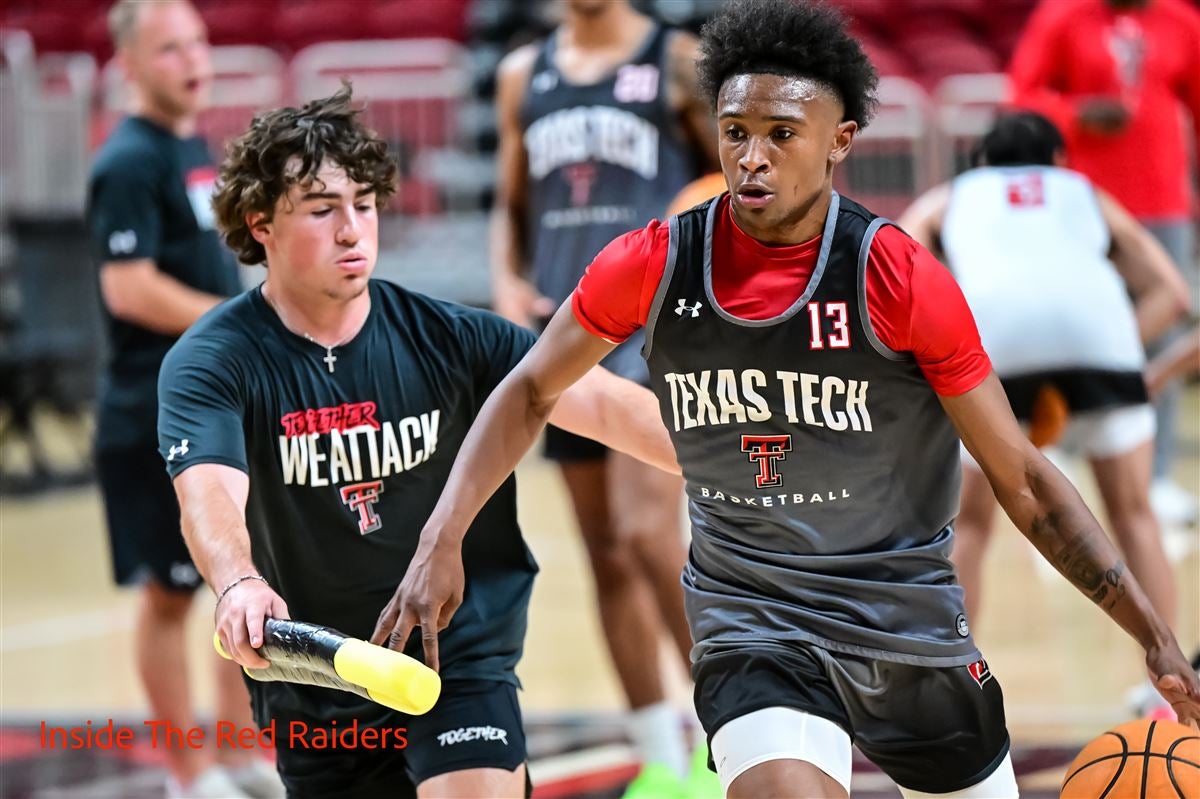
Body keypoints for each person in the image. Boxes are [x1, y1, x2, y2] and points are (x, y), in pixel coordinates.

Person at [373, 2, 1200, 798]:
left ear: (839, 141)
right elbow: (529, 390)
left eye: (781, 134)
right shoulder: (655, 261)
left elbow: (1022, 478)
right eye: (736, 133)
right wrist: (439, 539)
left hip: (904, 620)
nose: (753, 157)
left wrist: (1152, 630)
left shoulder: (897, 274)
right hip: (751, 626)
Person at [158, 85, 679, 799]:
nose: (352, 230)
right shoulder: (213, 359)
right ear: (261, 225)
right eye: (322, 210)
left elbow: (611, 407)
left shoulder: (450, 335)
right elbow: (209, 490)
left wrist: (748, 469)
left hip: (453, 653)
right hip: (318, 675)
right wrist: (238, 579)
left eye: (364, 205)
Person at [490, 0, 718, 792]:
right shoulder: (524, 74)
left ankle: (732, 728)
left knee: (648, 532)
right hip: (561, 325)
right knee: (604, 551)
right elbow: (509, 201)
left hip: (654, 324)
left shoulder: (678, 56)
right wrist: (505, 281)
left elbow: (728, 173)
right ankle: (660, 751)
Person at [898, 111, 1190, 716]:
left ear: (979, 163)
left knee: (970, 530)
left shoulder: (953, 195)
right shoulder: (1083, 191)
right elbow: (1174, 293)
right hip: (1101, 342)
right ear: (1059, 160)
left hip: (992, 348)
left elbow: (897, 262)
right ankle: (1166, 692)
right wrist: (1121, 366)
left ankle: (954, 686)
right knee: (1134, 516)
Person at [87, 2, 279, 796]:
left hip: (214, 405)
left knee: (230, 580)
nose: (193, 59)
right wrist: (236, 320)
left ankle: (236, 751)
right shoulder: (126, 161)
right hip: (149, 409)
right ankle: (186, 771)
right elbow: (127, 287)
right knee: (169, 595)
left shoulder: (191, 146)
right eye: (169, 49)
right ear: (129, 65)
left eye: (198, 42)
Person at [1009, 0, 1200, 525]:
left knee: (1160, 336)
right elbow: (1022, 94)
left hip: (1164, 202)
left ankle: (1155, 478)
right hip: (1083, 203)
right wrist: (1077, 114)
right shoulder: (1062, 16)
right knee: (1070, 331)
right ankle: (1060, 458)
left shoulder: (1181, 22)